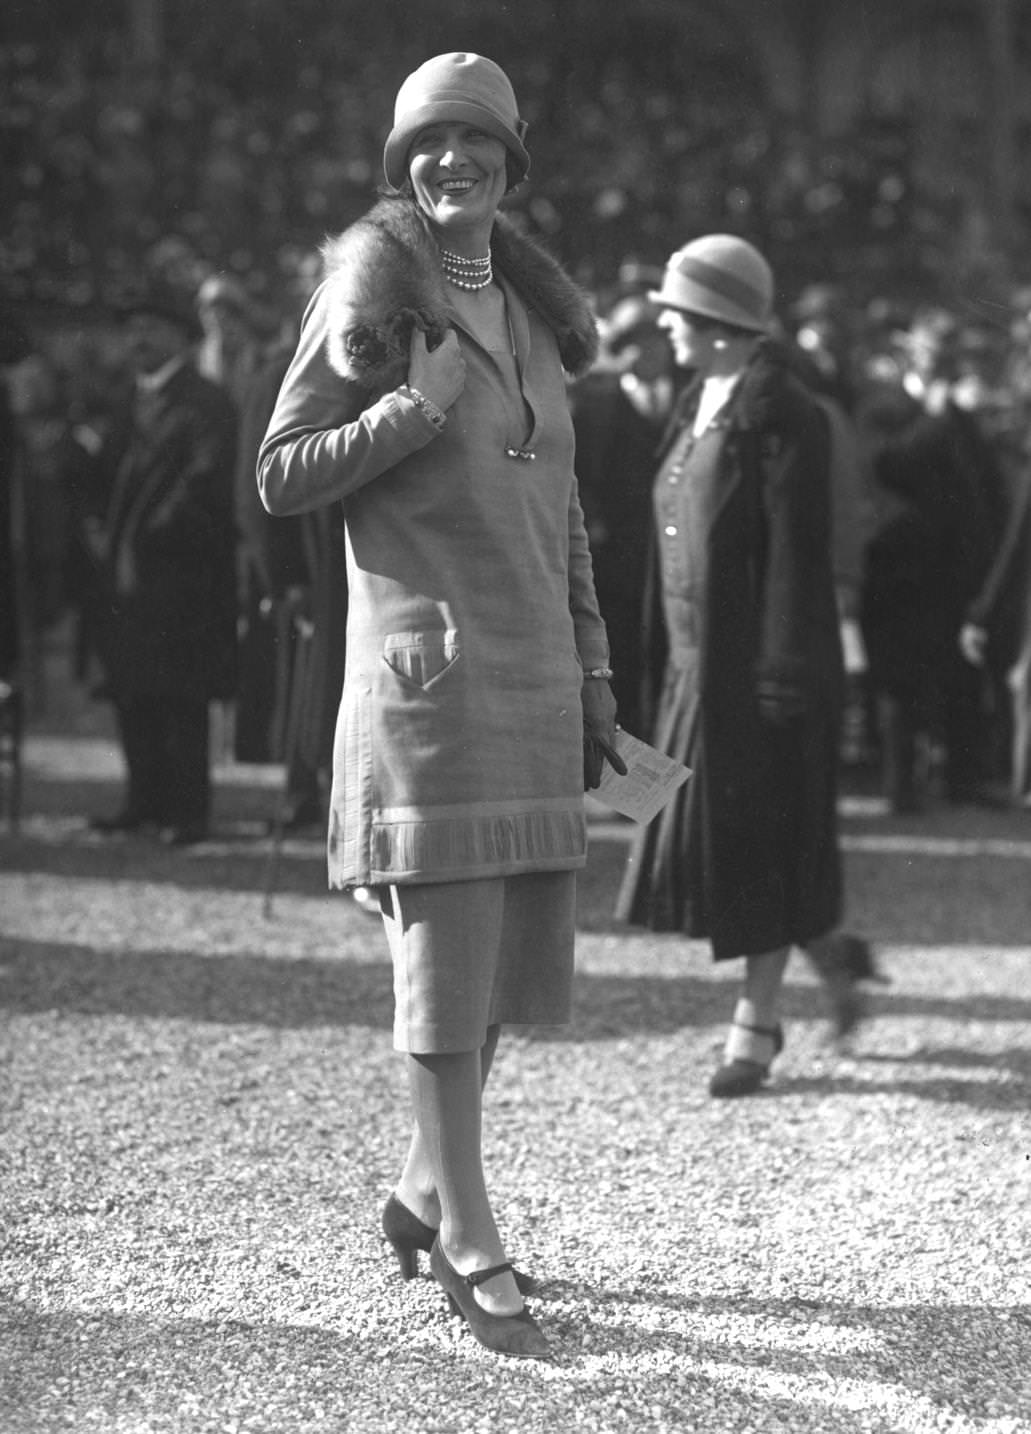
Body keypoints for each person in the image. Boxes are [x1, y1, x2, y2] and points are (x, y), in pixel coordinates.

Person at [257, 53, 619, 1358]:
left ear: (511, 161)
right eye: (428, 142)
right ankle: (468, 1230)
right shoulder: (369, 289)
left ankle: (418, 1188)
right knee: (440, 977)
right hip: (425, 687)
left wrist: (591, 670)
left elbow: (560, 509)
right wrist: (413, 406)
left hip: (529, 684)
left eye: (476, 141)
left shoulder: (529, 311)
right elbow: (281, 471)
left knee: (509, 983)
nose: (451, 160)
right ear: (401, 159)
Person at [616, 235, 869, 1099]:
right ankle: (829, 951)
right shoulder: (696, 401)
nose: (663, 327)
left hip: (754, 675)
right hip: (689, 671)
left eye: (675, 312)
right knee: (697, 843)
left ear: (719, 319)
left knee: (750, 846)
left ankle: (754, 1025)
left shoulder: (783, 414)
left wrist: (781, 677)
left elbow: (798, 560)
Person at [88, 280, 238, 845]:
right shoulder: (125, 401)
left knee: (180, 696)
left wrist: (149, 534)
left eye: (152, 327)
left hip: (181, 579)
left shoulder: (206, 402)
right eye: (131, 329)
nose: (139, 338)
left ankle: (187, 812)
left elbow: (206, 483)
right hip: (124, 577)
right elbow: (98, 478)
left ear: (181, 337)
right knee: (132, 690)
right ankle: (142, 800)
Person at [571, 293, 675, 738]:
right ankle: (634, 790)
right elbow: (581, 483)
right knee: (625, 669)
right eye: (632, 342)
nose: (643, 353)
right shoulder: (597, 408)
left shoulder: (690, 401)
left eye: (653, 341)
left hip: (674, 564)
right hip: (620, 567)